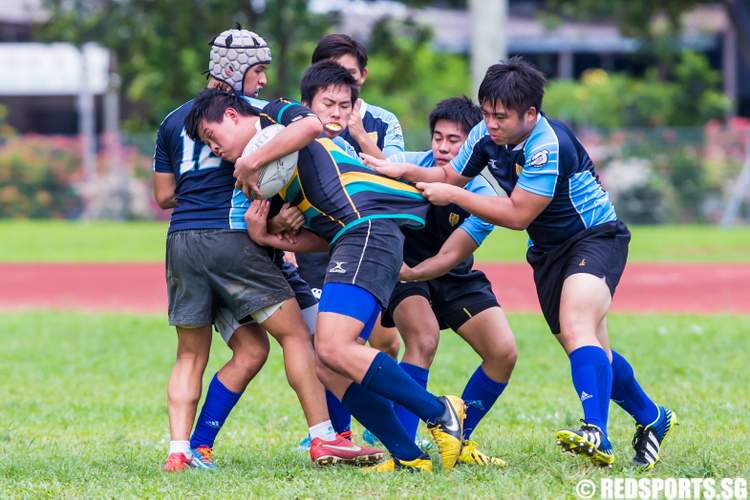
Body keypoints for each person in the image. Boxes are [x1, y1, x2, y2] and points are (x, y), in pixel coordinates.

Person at [367, 57, 676, 469]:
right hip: (548, 253)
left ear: (530, 114)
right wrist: (399, 168)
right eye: (488, 113)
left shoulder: (548, 146)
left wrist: (456, 198)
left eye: (502, 117)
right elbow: (452, 177)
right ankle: (653, 419)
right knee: (586, 343)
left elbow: (516, 215)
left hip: (594, 237)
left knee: (577, 322)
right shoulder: (485, 132)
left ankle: (596, 433)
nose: (492, 124)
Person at [184, 65, 466, 473]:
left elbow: (311, 125)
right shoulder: (265, 178)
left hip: (369, 226)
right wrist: (271, 238)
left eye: (213, 137)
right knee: (327, 365)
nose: (217, 150)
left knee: (334, 347)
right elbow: (320, 234)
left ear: (231, 116)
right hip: (350, 238)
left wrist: (249, 163)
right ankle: (408, 454)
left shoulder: (273, 116)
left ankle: (440, 411)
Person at [153, 28, 380, 472]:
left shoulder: (171, 120)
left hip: (180, 242)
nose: (261, 82)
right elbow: (311, 126)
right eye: (257, 71)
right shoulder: (255, 112)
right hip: (235, 240)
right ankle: (324, 438)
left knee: (214, 352)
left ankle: (181, 450)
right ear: (235, 72)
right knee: (297, 336)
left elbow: (164, 195)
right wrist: (254, 173)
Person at [373, 97, 517, 466]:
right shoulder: (408, 165)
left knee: (502, 352)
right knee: (422, 339)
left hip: (447, 272)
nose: (441, 146)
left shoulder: (485, 195)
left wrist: (409, 272)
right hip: (405, 271)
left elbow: (449, 258)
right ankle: (405, 451)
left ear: (472, 146)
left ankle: (457, 436)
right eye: (438, 137)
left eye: (454, 140)